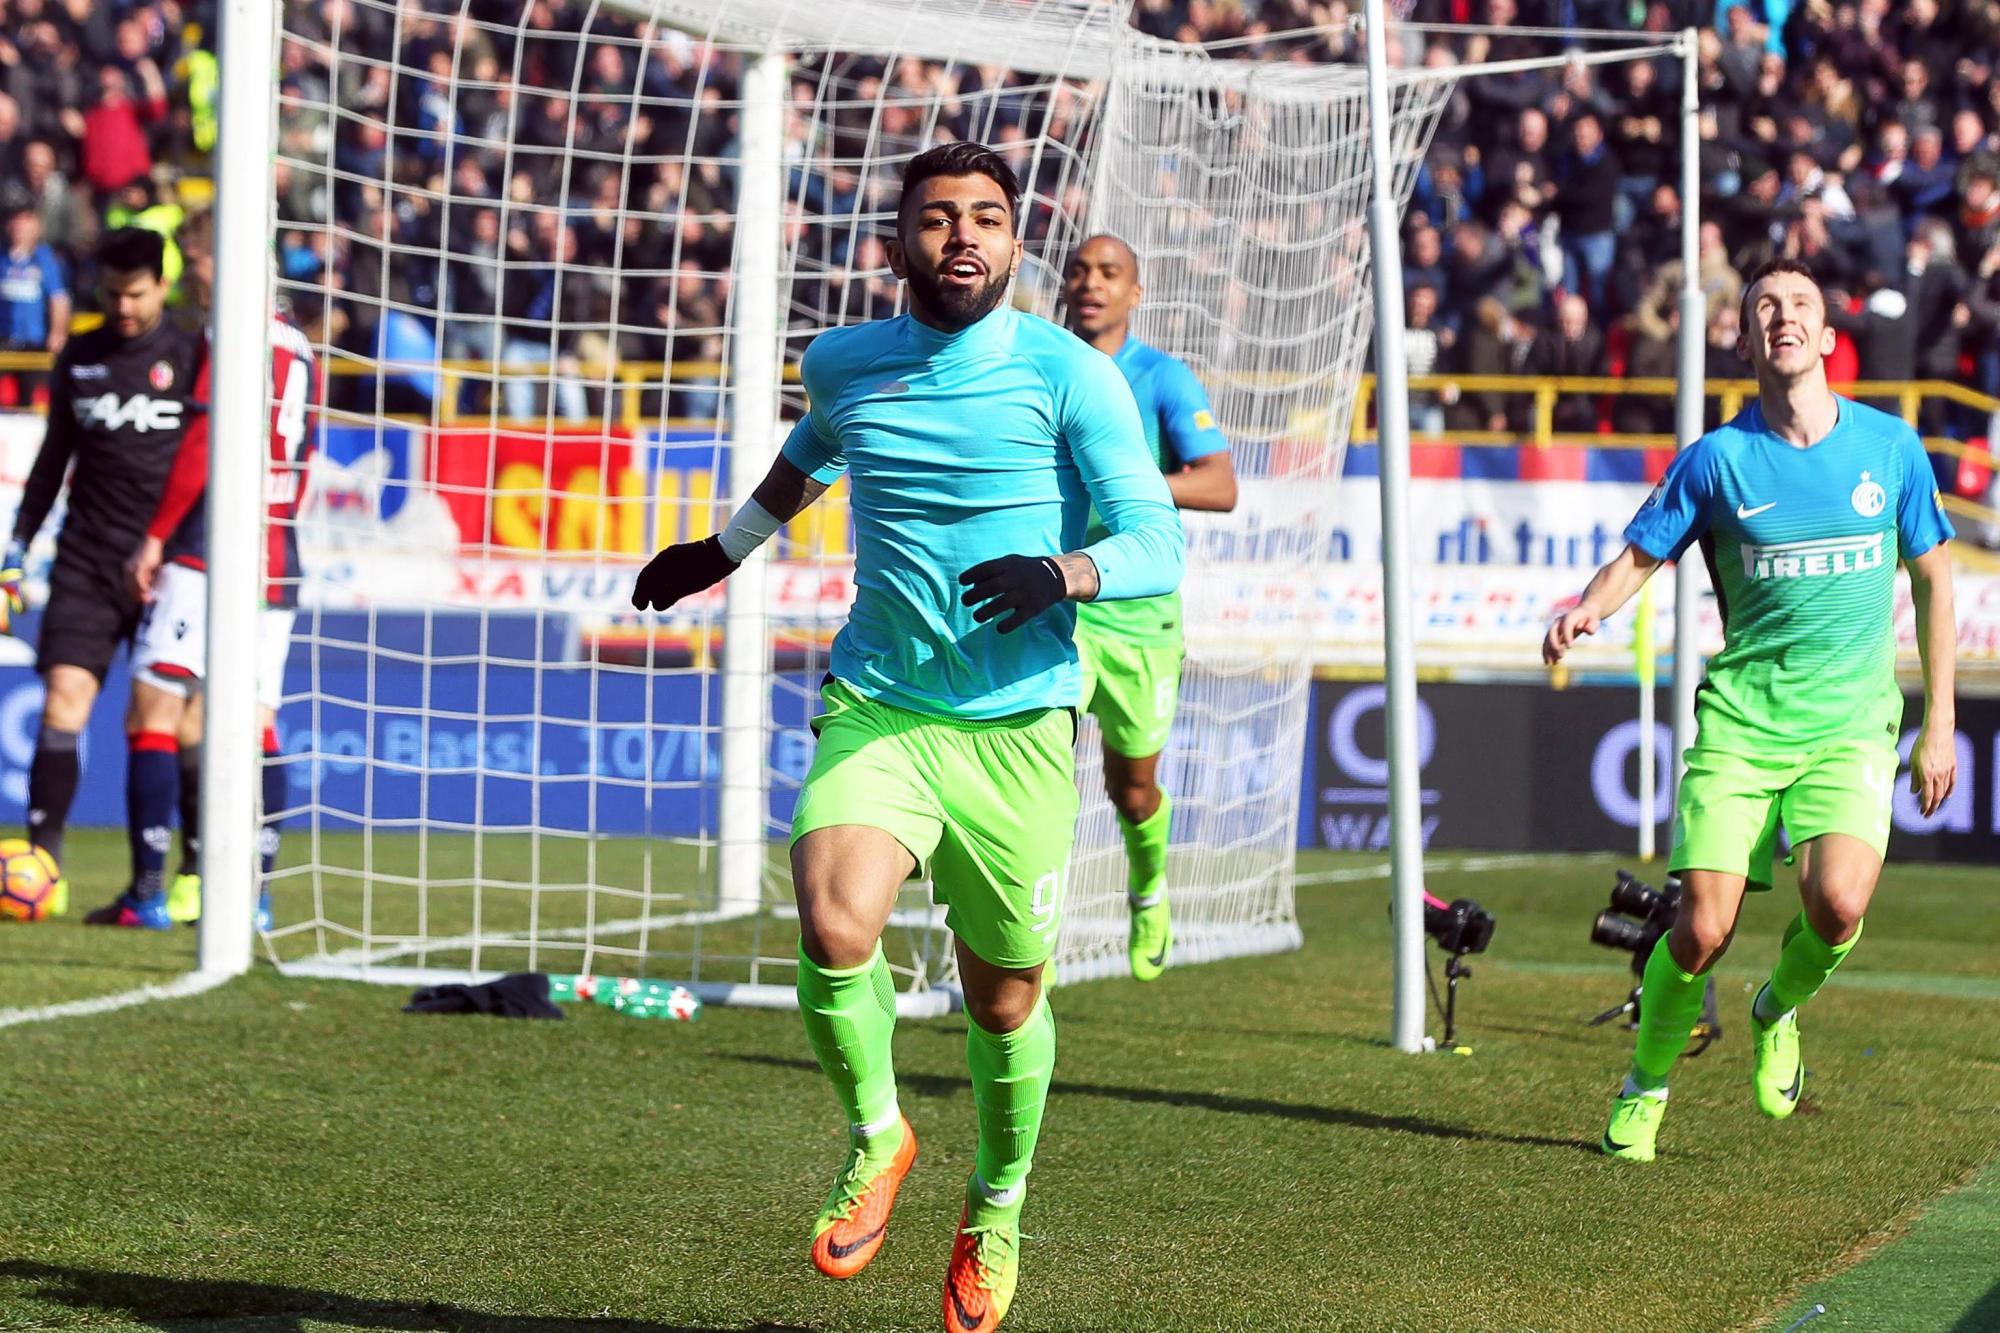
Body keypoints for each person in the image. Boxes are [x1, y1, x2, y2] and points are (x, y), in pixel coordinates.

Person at [629, 142, 1182, 1332]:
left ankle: (995, 1206)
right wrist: (722, 550)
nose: (962, 237)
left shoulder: (1069, 375)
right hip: (882, 700)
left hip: (1018, 727)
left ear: (1015, 241)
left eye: (985, 217)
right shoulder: (844, 362)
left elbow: (1155, 536)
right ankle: (878, 1135)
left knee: (1001, 1001)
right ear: (897, 244)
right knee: (832, 914)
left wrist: (1063, 570)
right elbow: (811, 453)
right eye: (937, 219)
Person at [1543, 258, 1957, 1164]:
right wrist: (1586, 607)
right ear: (1744, 337)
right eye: (1764, 306)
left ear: (1827, 335)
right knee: (1698, 930)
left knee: (1838, 904)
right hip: (1742, 723)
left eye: (1799, 304)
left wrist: (1939, 722)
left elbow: (1933, 578)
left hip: (1849, 724)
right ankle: (1646, 1084)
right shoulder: (1719, 460)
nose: (1782, 317)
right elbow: (1637, 557)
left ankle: (1778, 1007)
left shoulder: (1890, 449)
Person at [0, 229, 207, 926]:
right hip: (88, 561)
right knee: (63, 701)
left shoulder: (189, 352)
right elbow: (52, 460)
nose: (122, 305)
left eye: (136, 292)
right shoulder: (81, 356)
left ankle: (190, 875)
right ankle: (44, 867)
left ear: (160, 286)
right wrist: (17, 546)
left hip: (171, 563)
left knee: (177, 723)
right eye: (112, 292)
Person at [1059, 233, 1236, 981]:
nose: (1091, 283)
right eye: (1079, 270)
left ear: (1136, 293)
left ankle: (1151, 886)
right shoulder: (1037, 361)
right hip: (1055, 603)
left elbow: (1220, 485)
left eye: (1110, 273)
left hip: (1138, 613)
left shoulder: (1161, 377)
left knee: (1129, 789)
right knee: (1028, 769)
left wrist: (1125, 479)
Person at [118, 301, 320, 932]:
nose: (196, 274)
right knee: (257, 723)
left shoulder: (230, 325)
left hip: (208, 549)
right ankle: (253, 897)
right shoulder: (305, 347)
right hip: (277, 554)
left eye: (201, 257)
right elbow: (305, 458)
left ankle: (148, 892)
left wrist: (156, 535)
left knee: (155, 712)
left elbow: (204, 440)